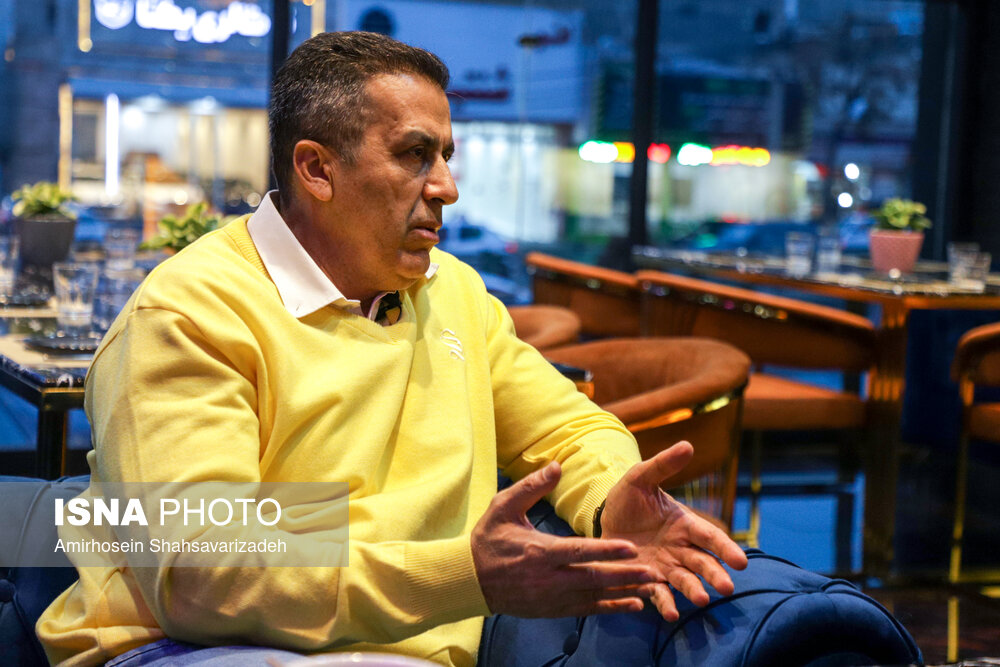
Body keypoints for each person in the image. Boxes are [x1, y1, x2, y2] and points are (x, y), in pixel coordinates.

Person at [37, 31, 749, 666]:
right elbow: (204, 572)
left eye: (446, 156)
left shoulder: (453, 292)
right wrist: (465, 574)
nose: (448, 187)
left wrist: (609, 500)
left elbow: (571, 428)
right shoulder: (189, 312)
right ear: (316, 170)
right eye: (415, 155)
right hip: (189, 645)